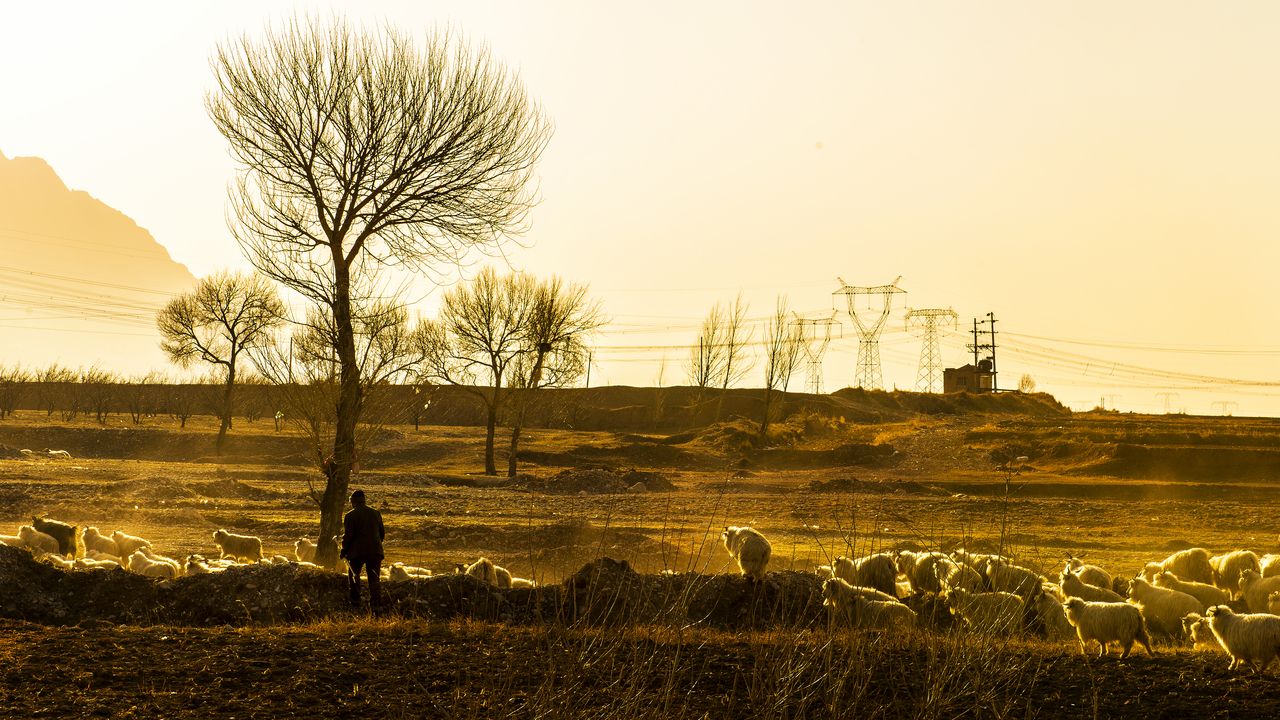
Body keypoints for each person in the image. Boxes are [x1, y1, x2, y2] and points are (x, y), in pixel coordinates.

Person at [341, 489, 385, 611]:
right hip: (375, 551)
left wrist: (344, 550)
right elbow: (381, 534)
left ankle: (355, 603)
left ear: (353, 502)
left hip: (357, 552)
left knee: (354, 575)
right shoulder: (376, 513)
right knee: (374, 578)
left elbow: (348, 536)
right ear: (364, 501)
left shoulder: (350, 515)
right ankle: (376, 606)